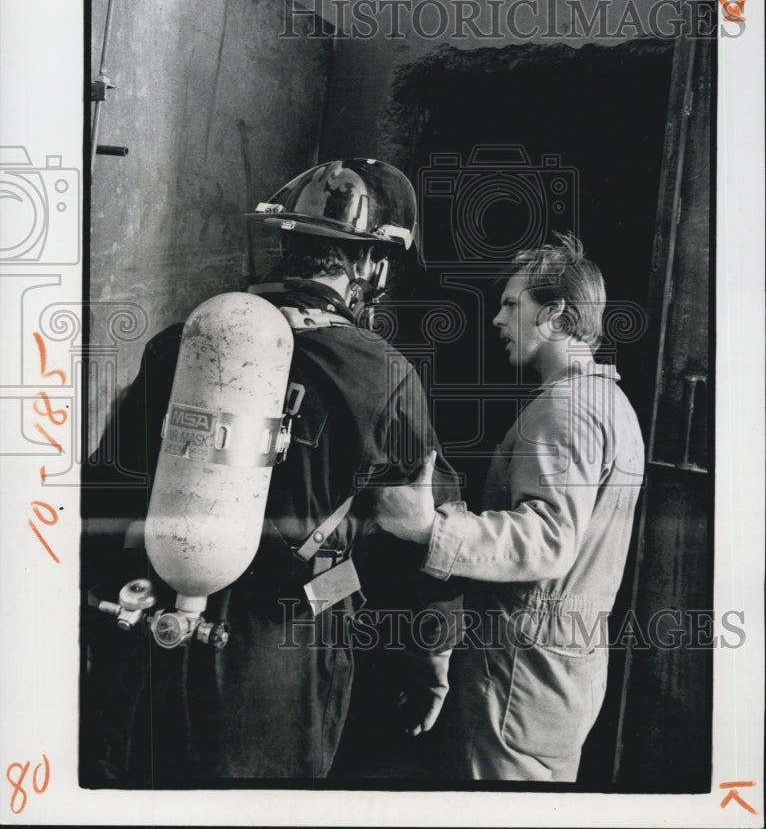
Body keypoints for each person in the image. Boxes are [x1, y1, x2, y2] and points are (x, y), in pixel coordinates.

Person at [82, 158, 461, 785]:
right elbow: (418, 530)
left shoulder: (186, 342)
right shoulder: (385, 376)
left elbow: (104, 487)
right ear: (371, 266)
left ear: (288, 244)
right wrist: (432, 653)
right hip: (278, 655)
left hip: (152, 636)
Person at [374, 232, 645, 781]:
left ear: (558, 314)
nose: (497, 319)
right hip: (563, 670)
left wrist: (430, 528)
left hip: (521, 673)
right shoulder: (611, 404)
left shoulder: (566, 410)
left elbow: (549, 540)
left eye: (513, 304)